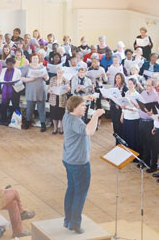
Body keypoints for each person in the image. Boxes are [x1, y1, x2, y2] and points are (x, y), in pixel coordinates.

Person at [62, 95, 105, 234]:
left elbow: (70, 103)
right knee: (80, 194)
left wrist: (84, 98)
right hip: (79, 163)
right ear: (74, 108)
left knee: (71, 190)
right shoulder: (77, 122)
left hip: (68, 159)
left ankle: (68, 220)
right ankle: (75, 223)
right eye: (82, 105)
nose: (85, 107)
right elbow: (90, 131)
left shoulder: (67, 115)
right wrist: (96, 115)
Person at [21, 54, 48, 131]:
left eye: (36, 58)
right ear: (31, 59)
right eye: (34, 58)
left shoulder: (42, 67)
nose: (35, 60)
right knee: (29, 108)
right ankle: (27, 122)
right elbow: (22, 78)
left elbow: (47, 78)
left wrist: (45, 77)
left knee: (41, 108)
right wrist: (30, 79)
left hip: (41, 90)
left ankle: (43, 124)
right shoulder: (27, 67)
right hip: (31, 91)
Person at [0, 57, 23, 126]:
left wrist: (14, 83)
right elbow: (0, 79)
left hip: (14, 89)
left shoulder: (18, 71)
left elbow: (21, 81)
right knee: (4, 105)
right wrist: (4, 82)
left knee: (15, 105)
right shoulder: (3, 70)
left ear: (14, 64)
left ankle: (18, 121)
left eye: (11, 65)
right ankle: (3, 120)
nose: (9, 66)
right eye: (8, 64)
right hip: (5, 89)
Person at [48, 67, 70, 135]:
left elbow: (68, 90)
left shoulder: (65, 80)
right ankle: (55, 128)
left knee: (61, 115)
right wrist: (50, 91)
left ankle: (61, 128)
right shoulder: (52, 79)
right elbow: (49, 89)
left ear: (63, 73)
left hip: (62, 99)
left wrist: (68, 89)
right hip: (54, 99)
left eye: (61, 72)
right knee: (54, 115)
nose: (60, 74)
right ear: (56, 72)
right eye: (58, 72)